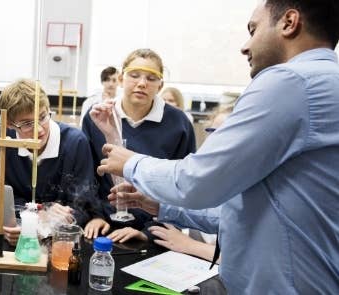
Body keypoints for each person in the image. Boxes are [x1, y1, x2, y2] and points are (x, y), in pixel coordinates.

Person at [96, 0, 339, 292]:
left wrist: (132, 163)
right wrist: (160, 204)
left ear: (289, 23)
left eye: (253, 29)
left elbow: (197, 180)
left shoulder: (292, 81)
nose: (245, 46)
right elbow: (244, 210)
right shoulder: (325, 83)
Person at [81, 49, 196, 239]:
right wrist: (93, 216)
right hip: (101, 226)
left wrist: (149, 231)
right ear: (120, 78)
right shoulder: (98, 117)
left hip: (154, 230)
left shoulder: (179, 124)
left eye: (151, 78)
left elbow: (183, 184)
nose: (142, 84)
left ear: (160, 86)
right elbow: (86, 175)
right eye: (134, 76)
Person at [107, 105, 234, 261]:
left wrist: (191, 245)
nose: (215, 141)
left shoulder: (251, 182)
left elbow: (247, 257)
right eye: (212, 132)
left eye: (224, 133)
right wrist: (157, 205)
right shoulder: (217, 176)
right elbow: (219, 216)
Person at [0, 79, 98, 245]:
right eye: (27, 124)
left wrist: (45, 225)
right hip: (19, 231)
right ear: (10, 125)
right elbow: (3, 196)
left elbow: (84, 205)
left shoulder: (75, 142)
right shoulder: (3, 140)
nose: (39, 130)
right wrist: (34, 216)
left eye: (42, 117)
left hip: (60, 239)